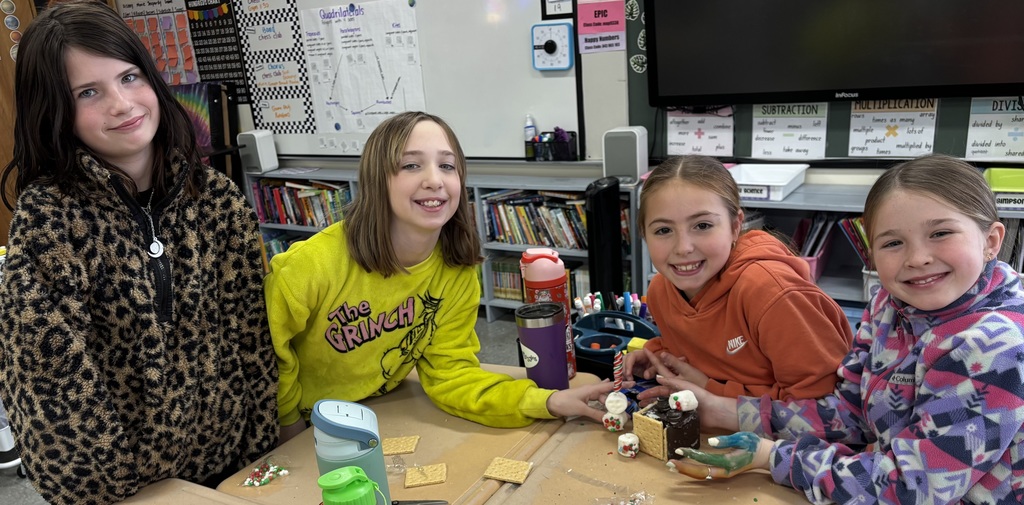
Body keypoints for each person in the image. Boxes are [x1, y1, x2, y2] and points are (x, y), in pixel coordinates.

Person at [0, 2, 278, 504]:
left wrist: (261, 450)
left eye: (130, 78)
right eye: (89, 92)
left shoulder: (214, 196)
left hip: (232, 471)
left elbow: (252, 339)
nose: (122, 104)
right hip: (121, 492)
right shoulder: (48, 220)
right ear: (56, 109)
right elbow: (52, 387)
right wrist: (117, 494)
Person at [646, 154, 1024, 504]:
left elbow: (913, 489)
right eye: (893, 242)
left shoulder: (992, 346)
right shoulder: (890, 304)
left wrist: (772, 457)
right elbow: (850, 413)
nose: (918, 258)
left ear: (991, 241)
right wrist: (730, 412)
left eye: (940, 233)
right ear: (871, 254)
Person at [268, 111, 615, 444]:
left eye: (447, 166)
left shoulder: (456, 270)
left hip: (380, 411)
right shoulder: (311, 265)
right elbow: (269, 353)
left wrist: (547, 402)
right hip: (301, 423)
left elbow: (452, 375)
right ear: (377, 179)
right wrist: (289, 423)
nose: (434, 180)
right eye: (411, 165)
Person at [625, 155, 853, 400]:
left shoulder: (771, 293)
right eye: (663, 230)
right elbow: (700, 355)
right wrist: (658, 354)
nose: (683, 248)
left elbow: (827, 408)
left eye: (702, 226)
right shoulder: (661, 288)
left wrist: (711, 390)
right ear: (644, 235)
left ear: (735, 226)